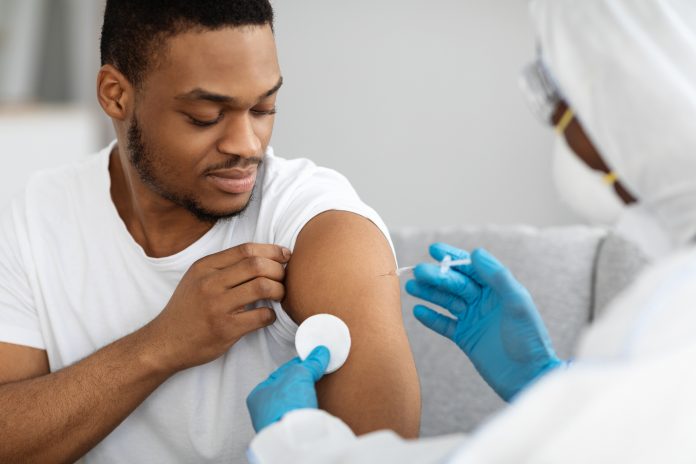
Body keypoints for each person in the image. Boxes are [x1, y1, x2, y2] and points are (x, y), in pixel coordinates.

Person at [245, 0, 696, 462]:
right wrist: (548, 379)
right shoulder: (674, 292)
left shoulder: (670, 312)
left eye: (555, 93)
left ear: (641, 94)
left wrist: (296, 445)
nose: (557, 120)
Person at [0, 1, 421, 462]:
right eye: (206, 115)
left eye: (264, 108)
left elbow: (384, 456)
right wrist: (159, 346)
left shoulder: (317, 224)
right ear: (116, 94)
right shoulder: (36, 218)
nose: (246, 145)